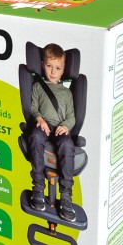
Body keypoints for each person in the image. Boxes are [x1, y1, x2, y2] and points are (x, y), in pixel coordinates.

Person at [28, 43, 76, 222]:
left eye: (57, 68)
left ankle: (66, 195)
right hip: (43, 126)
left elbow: (71, 117)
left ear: (63, 70)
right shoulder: (38, 87)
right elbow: (33, 108)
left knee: (67, 144)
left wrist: (66, 126)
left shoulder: (67, 93)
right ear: (42, 65)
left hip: (60, 129)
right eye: (49, 66)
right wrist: (40, 120)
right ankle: (38, 187)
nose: (53, 72)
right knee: (35, 136)